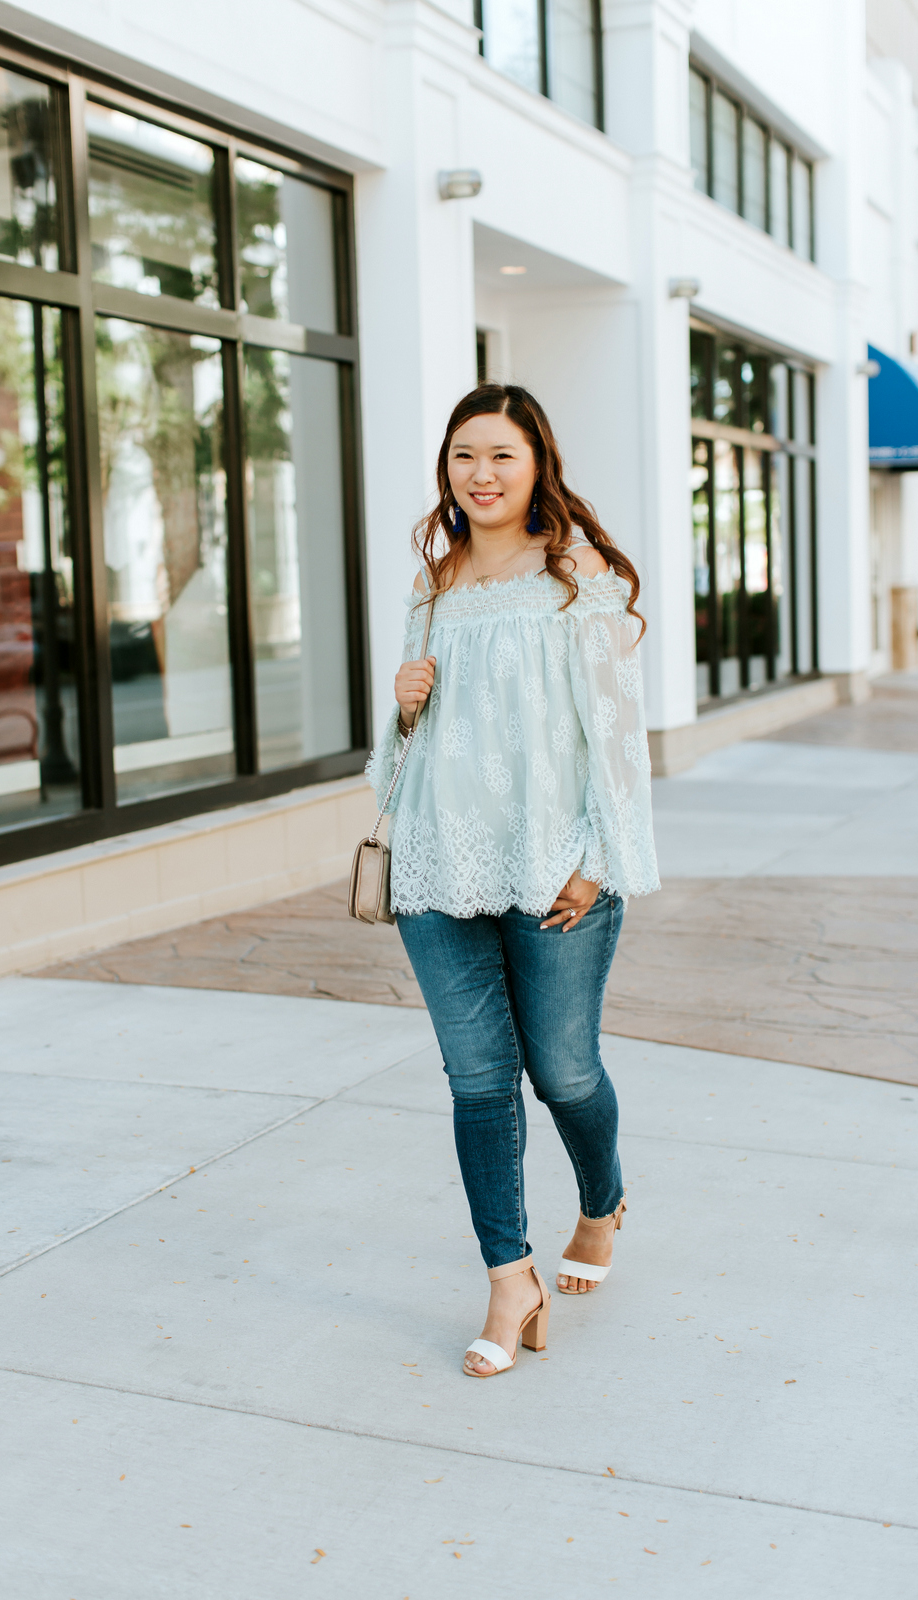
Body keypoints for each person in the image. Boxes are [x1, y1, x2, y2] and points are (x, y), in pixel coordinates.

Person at [366, 383, 659, 1378]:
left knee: (563, 1072)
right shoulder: (432, 584)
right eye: (461, 457)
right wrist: (402, 708)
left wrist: (597, 859)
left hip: (555, 866)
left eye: (497, 455)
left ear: (536, 462)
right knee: (478, 1081)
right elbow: (400, 764)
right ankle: (508, 1275)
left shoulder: (578, 578)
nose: (478, 475)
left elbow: (615, 741)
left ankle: (600, 1201)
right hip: (438, 864)